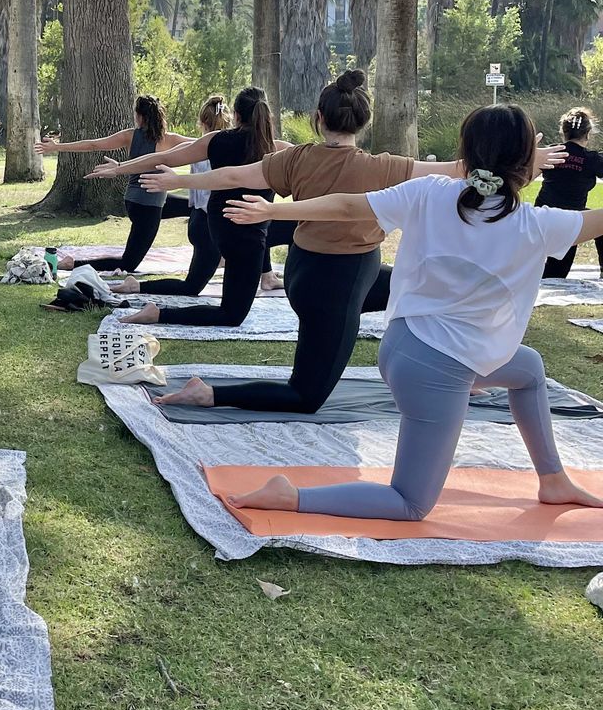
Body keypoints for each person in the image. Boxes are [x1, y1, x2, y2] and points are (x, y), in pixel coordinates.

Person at [220, 104, 603, 519]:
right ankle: (290, 496)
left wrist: (274, 210)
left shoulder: (431, 192)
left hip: (403, 348)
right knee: (410, 502)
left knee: (528, 370)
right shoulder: (537, 224)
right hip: (437, 371)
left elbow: (349, 206)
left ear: (467, 152)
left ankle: (553, 479)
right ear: (528, 160)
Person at [145, 70, 564, 415]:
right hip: (335, 285)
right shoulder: (383, 167)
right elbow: (460, 168)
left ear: (318, 118)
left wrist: (180, 180)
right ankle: (209, 392)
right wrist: (524, 160)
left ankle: (460, 374)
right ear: (363, 122)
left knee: (427, 291)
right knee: (305, 396)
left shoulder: (298, 158)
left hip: (317, 273)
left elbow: (234, 176)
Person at [97, 86, 293, 328]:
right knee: (232, 315)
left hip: (221, 227)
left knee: (213, 288)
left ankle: (274, 276)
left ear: (237, 115)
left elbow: (164, 158)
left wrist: (119, 168)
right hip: (247, 233)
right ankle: (157, 314)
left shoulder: (216, 139)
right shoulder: (278, 148)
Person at [37, 97, 192, 275]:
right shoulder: (170, 139)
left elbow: (93, 145)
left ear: (140, 116)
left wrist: (57, 147)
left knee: (195, 207)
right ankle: (73, 263)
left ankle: (214, 257)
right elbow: (204, 143)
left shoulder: (130, 135)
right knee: (128, 264)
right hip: (147, 206)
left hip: (137, 202)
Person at [534, 106, 603, 278]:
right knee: (555, 275)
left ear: (563, 133)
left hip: (541, 216)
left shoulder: (551, 152)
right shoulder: (591, 159)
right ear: (587, 134)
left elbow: (525, 177)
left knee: (551, 274)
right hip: (569, 222)